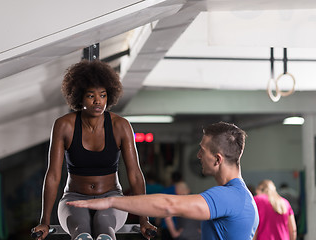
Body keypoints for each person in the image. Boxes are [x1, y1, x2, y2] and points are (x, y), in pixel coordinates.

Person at [67, 122, 259, 240]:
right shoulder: (240, 195)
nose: (199, 155)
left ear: (217, 159)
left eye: (203, 150)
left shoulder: (230, 196)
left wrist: (110, 201)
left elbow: (168, 205)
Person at [31, 60, 156, 240]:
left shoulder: (120, 126)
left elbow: (135, 174)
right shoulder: (64, 125)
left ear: (109, 96)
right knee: (82, 234)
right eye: (91, 96)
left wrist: (144, 219)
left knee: (105, 231)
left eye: (103, 95)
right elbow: (53, 176)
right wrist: (44, 221)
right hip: (74, 197)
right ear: (79, 96)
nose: (98, 101)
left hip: (112, 197)